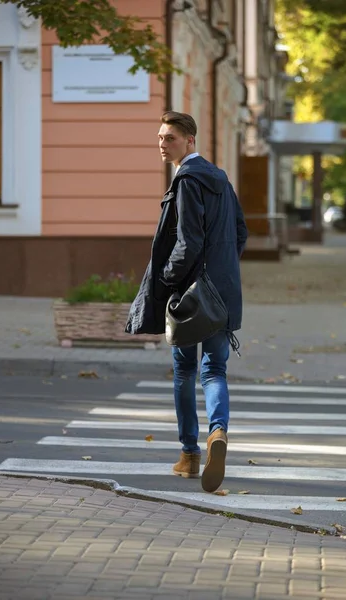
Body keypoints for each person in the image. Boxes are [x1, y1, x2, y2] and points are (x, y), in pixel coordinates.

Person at [125, 111, 248, 493]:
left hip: (190, 295)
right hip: (222, 291)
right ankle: (218, 433)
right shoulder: (221, 179)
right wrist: (222, 271)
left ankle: (189, 454)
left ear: (190, 141)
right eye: (160, 138)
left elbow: (188, 241)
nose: (163, 144)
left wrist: (167, 279)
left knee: (185, 372)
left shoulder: (187, 180)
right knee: (215, 371)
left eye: (171, 138)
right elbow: (240, 233)